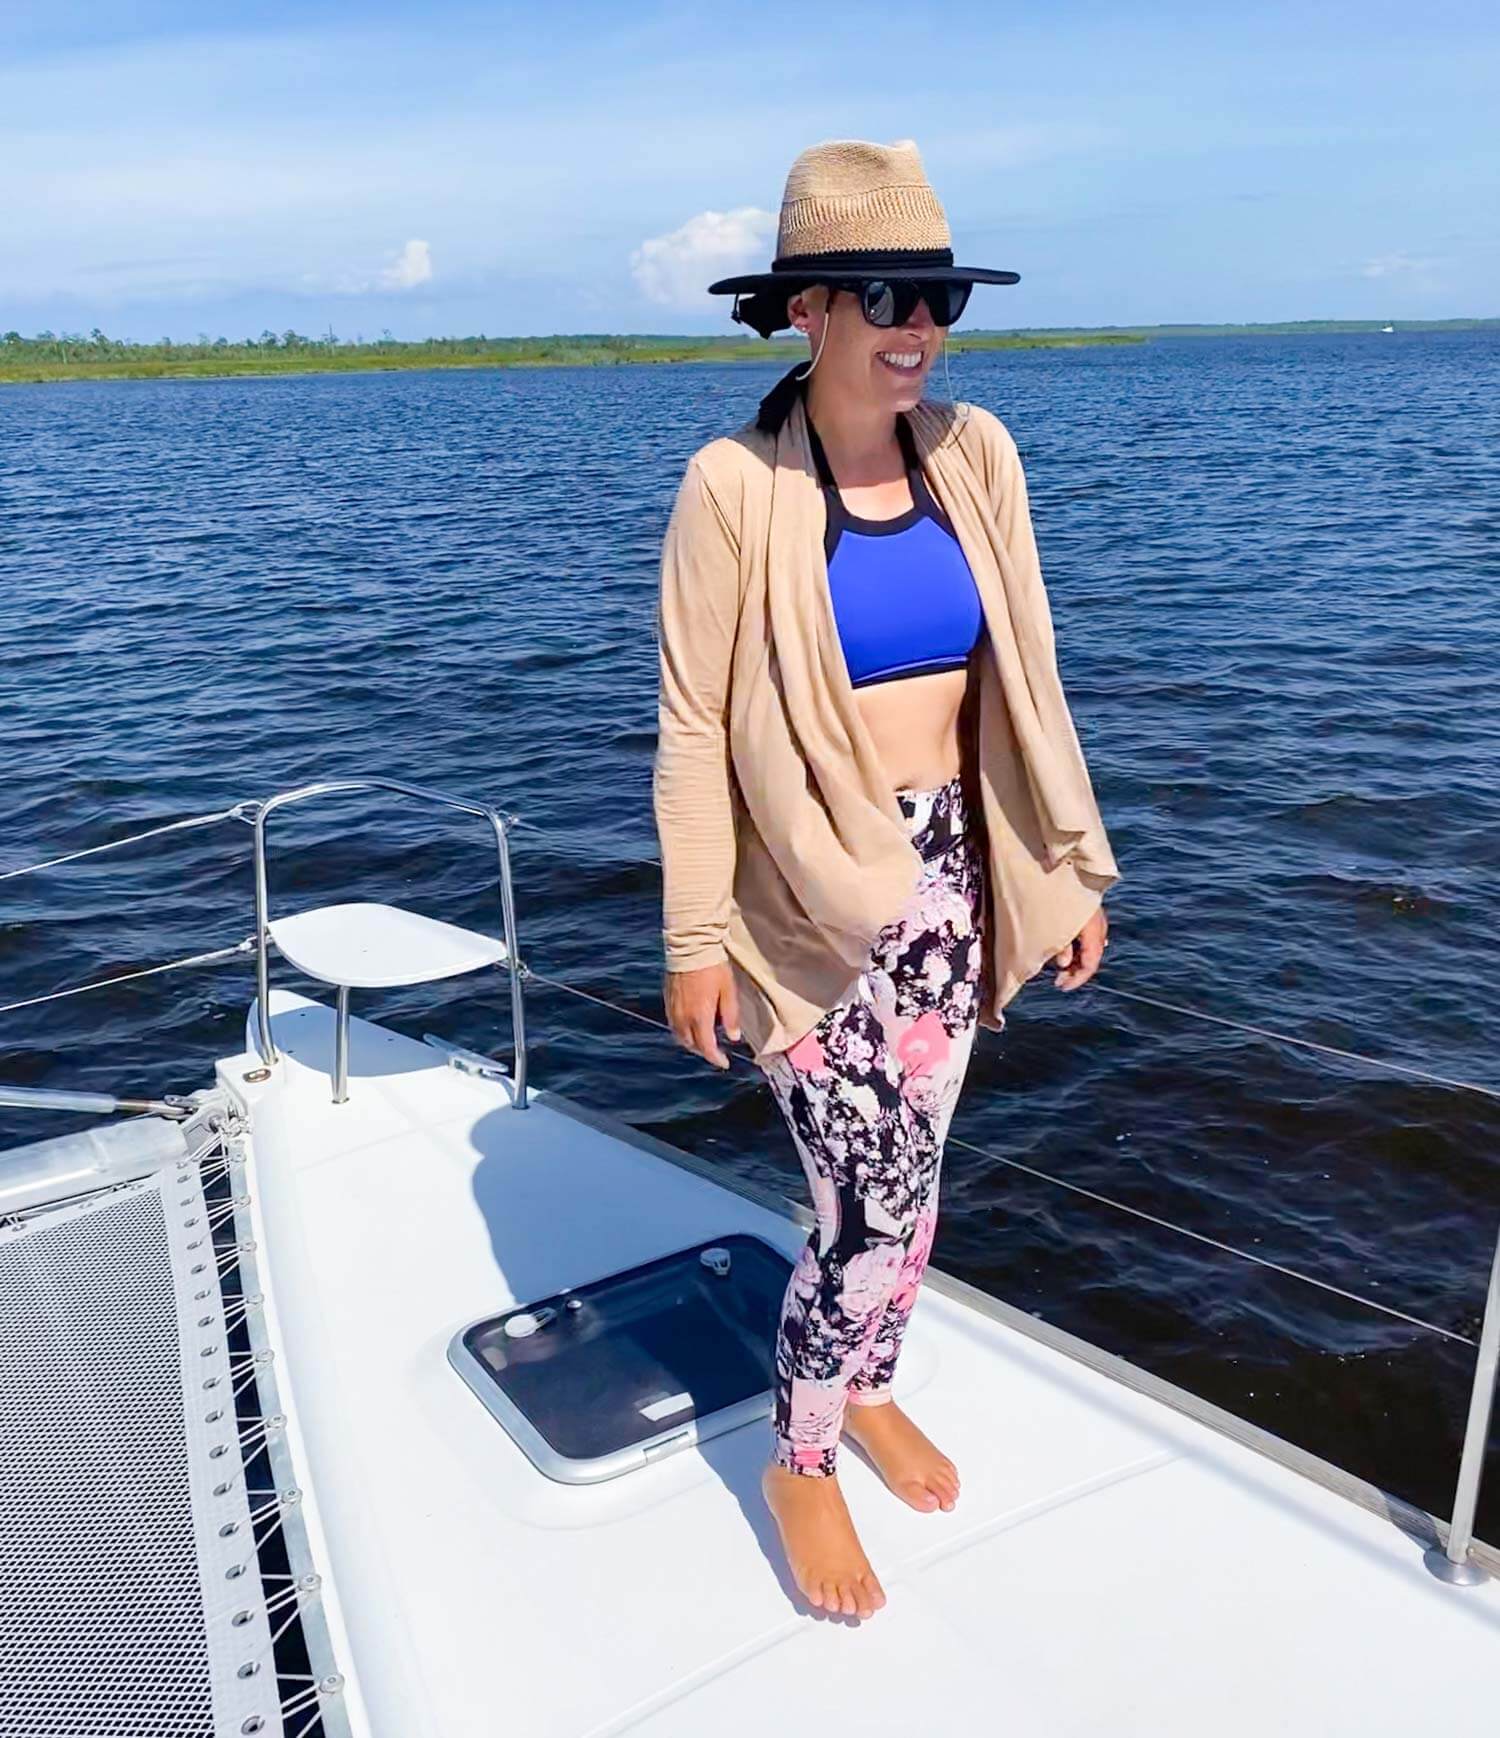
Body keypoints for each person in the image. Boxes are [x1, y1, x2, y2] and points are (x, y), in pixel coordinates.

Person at [651, 138, 1122, 1622]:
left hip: (954, 882)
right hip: (801, 899)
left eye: (937, 295)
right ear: (807, 309)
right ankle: (801, 1451)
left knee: (915, 1197)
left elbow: (1031, 675)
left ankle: (869, 1386)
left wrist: (1063, 866)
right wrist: (692, 937)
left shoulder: (975, 455)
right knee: (867, 1197)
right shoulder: (732, 486)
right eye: (882, 292)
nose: (913, 323)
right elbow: (692, 727)